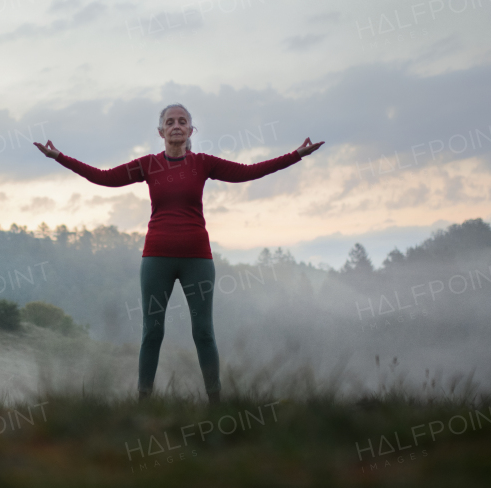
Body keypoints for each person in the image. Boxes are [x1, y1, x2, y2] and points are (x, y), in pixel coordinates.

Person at [33, 103, 323, 403]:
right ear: (161, 131)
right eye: (170, 122)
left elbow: (249, 172)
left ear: (190, 130)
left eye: (182, 121)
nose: (176, 126)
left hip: (198, 259)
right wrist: (59, 157)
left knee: (204, 333)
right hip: (156, 258)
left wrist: (296, 155)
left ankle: (215, 402)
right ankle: (143, 401)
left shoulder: (203, 163)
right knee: (152, 332)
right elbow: (104, 177)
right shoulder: (148, 165)